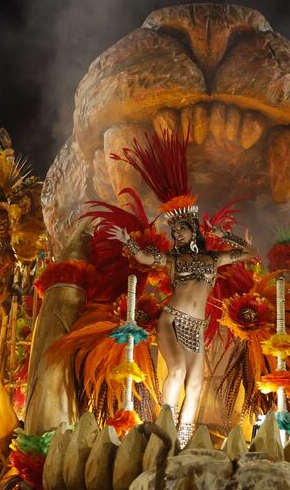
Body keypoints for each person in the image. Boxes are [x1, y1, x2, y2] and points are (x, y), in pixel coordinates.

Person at [107, 130, 257, 446]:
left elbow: (247, 252)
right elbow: (148, 257)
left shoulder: (213, 258)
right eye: (173, 230)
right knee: (175, 373)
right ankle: (164, 431)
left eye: (182, 228)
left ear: (194, 230)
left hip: (196, 327)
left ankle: (184, 442)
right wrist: (129, 244)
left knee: (198, 386)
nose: (177, 234)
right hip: (171, 320)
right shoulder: (172, 261)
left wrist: (222, 233)